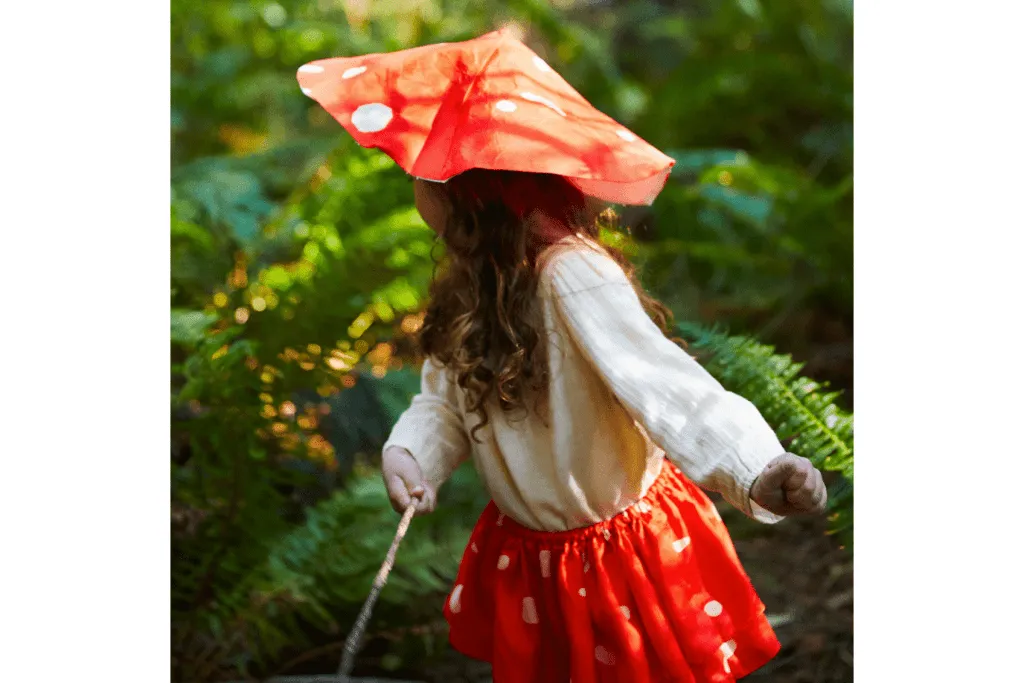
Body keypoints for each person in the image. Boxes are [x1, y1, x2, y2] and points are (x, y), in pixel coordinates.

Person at [380, 168, 828, 683]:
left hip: (618, 557)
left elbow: (667, 386)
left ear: (476, 190)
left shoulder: (572, 276)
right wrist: (413, 454)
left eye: (423, 174)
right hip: (537, 560)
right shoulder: (469, 288)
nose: (413, 182)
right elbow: (445, 403)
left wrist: (755, 467)